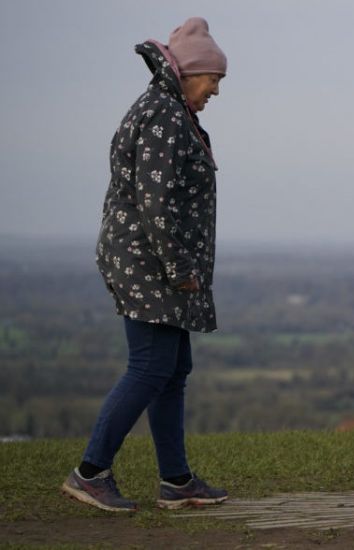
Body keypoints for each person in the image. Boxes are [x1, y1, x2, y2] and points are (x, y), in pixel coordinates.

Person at [61, 17, 229, 512]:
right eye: (213, 81)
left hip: (153, 258)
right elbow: (154, 201)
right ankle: (90, 472)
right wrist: (179, 266)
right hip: (147, 260)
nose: (215, 92)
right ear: (190, 72)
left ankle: (176, 481)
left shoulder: (170, 110)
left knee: (173, 368)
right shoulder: (162, 113)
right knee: (151, 365)